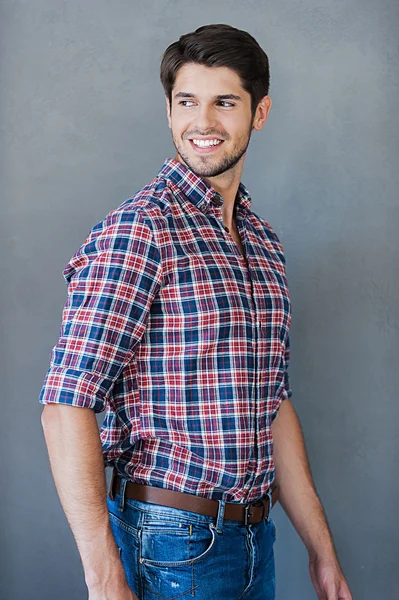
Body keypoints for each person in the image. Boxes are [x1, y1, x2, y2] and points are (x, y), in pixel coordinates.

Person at [39, 23, 352, 600]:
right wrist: (105, 578)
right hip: (172, 543)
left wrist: (323, 553)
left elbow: (272, 406)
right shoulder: (141, 229)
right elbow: (66, 405)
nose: (202, 122)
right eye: (187, 102)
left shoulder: (262, 243)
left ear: (259, 113)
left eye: (224, 102)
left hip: (257, 539)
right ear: (168, 110)